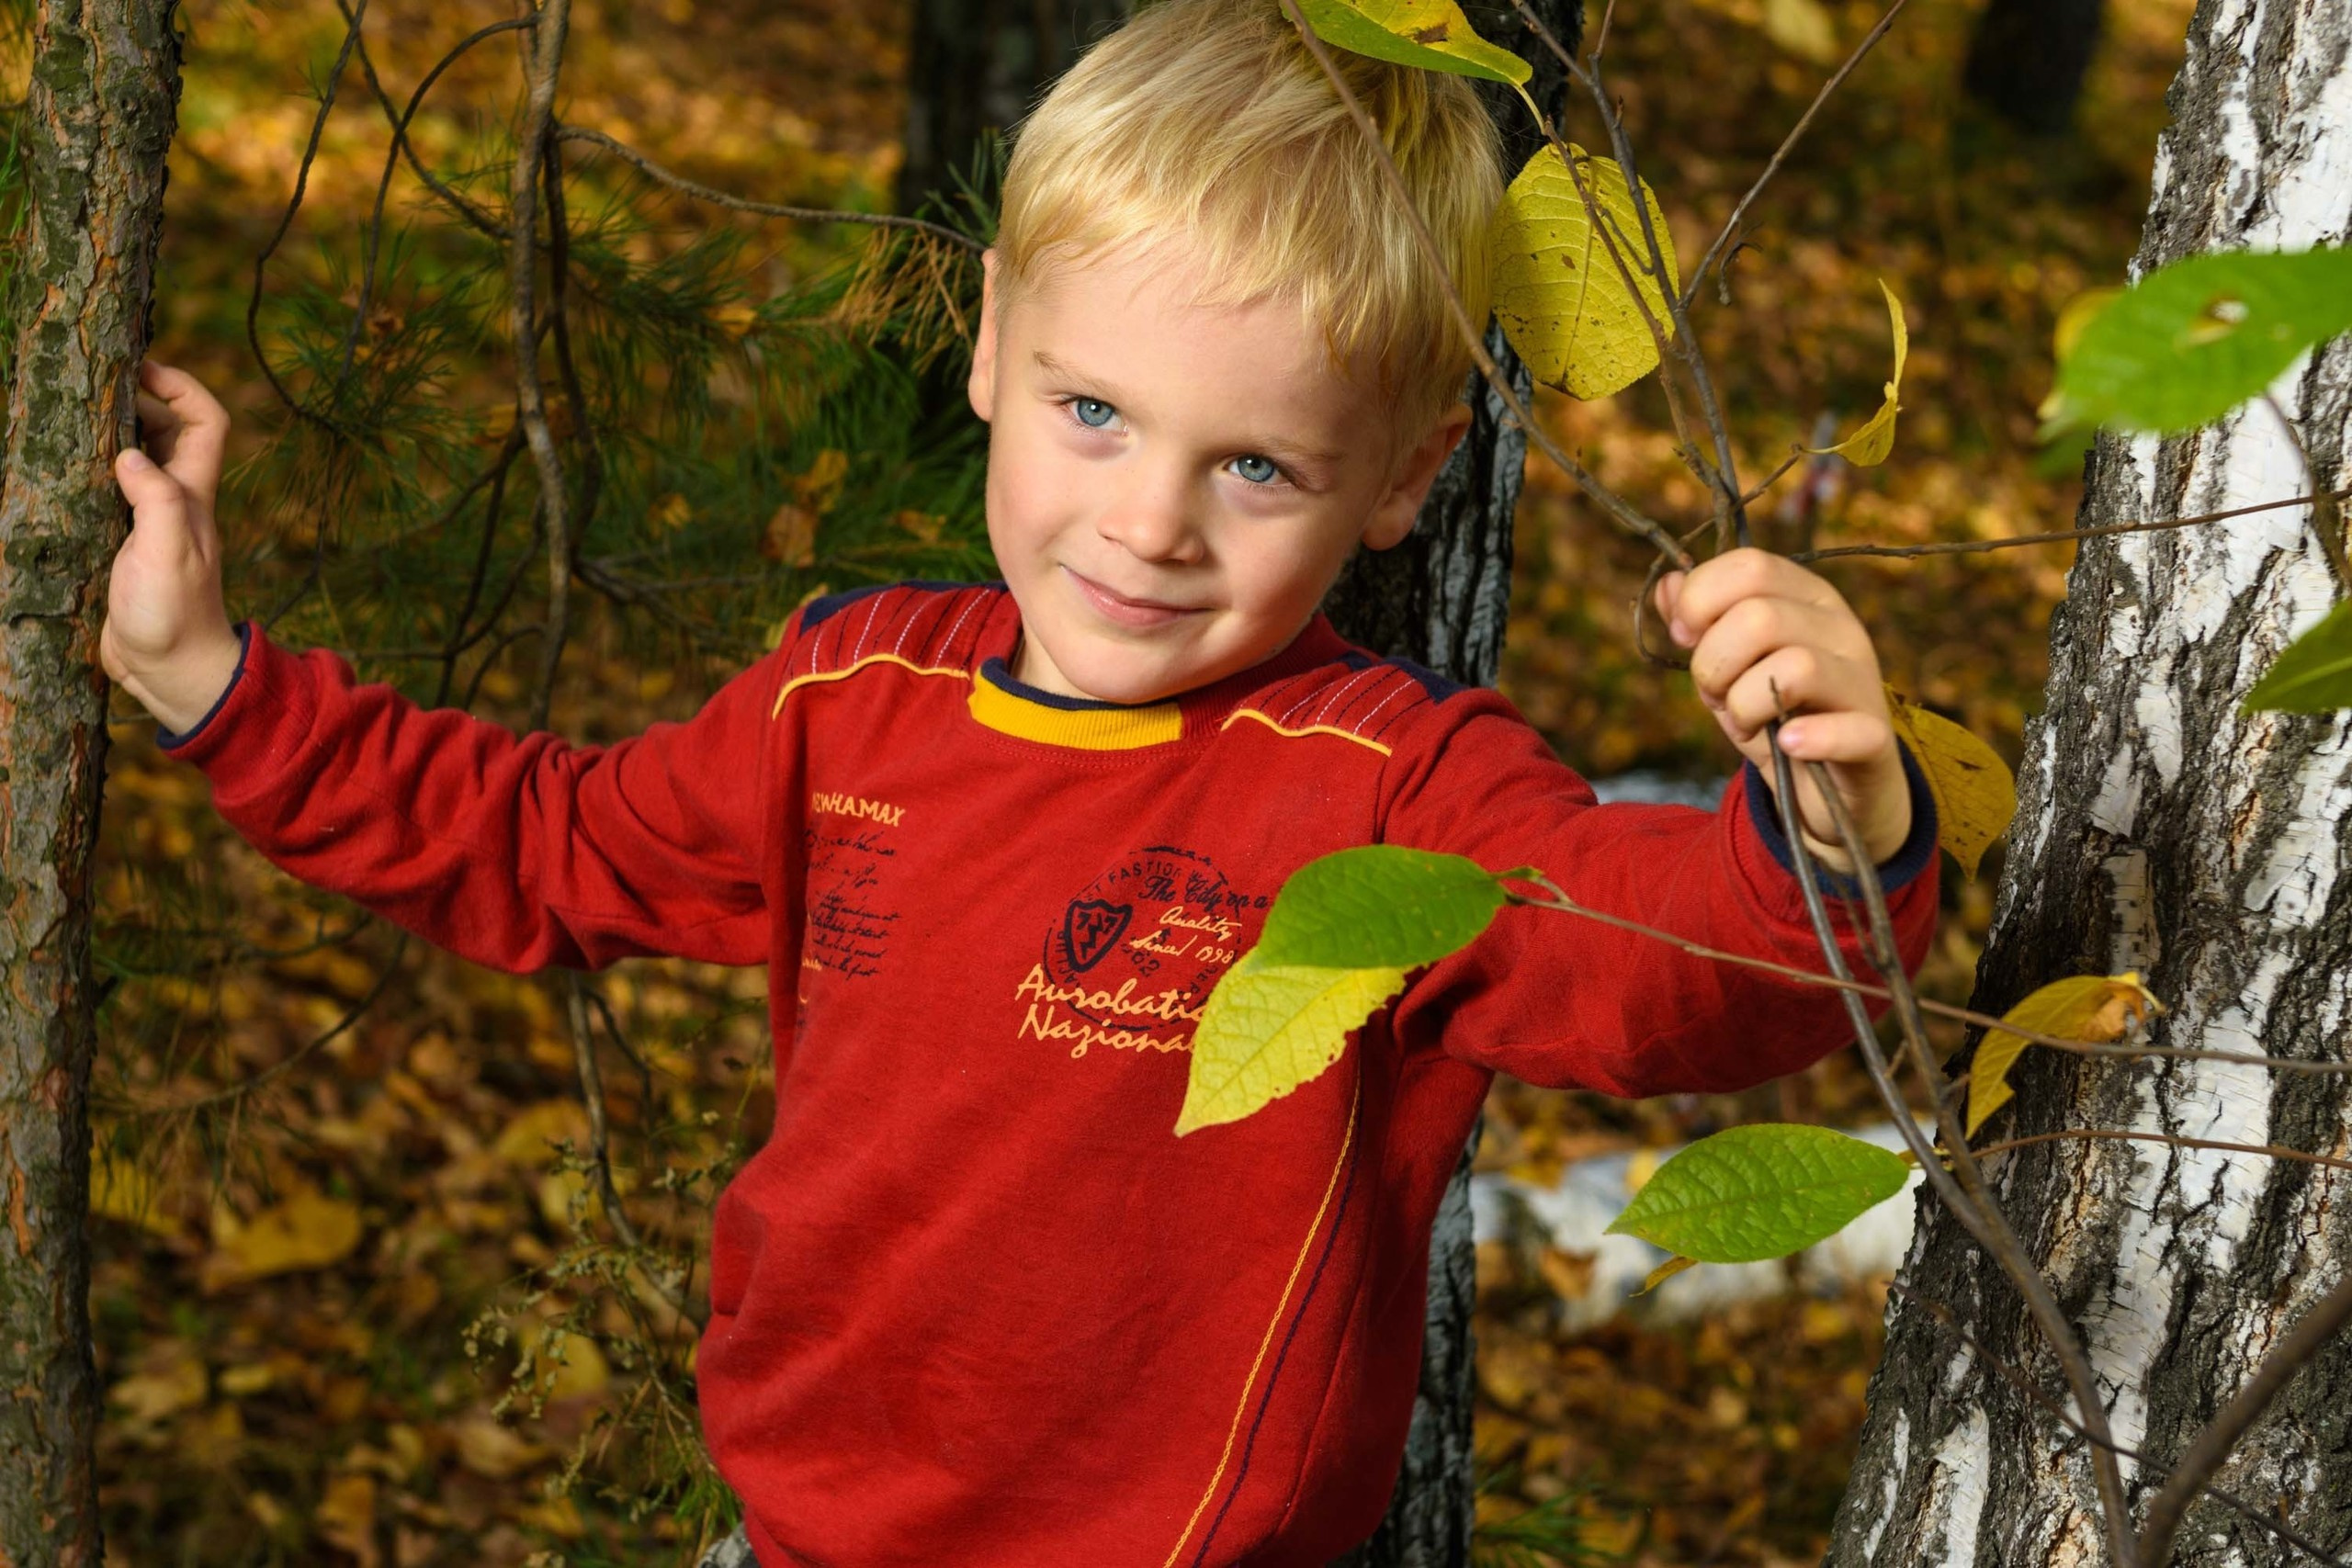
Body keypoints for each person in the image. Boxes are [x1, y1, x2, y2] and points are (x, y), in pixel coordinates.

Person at [103, 0, 1937, 1562]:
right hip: (800, 1523)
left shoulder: (1383, 789)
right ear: (990, 341)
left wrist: (1824, 832)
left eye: (1256, 468)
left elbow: (1645, 960)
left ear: (1400, 477)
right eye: (1093, 411)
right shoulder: (850, 698)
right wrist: (208, 675)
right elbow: (547, 844)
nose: (1145, 521)